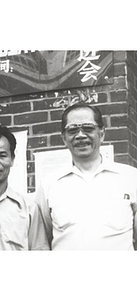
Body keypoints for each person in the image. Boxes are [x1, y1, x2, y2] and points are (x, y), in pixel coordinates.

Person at [36, 103, 137, 250]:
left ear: (101, 134)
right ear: (64, 138)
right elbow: (42, 241)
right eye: (72, 130)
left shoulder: (130, 178)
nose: (80, 135)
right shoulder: (49, 184)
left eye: (88, 128)